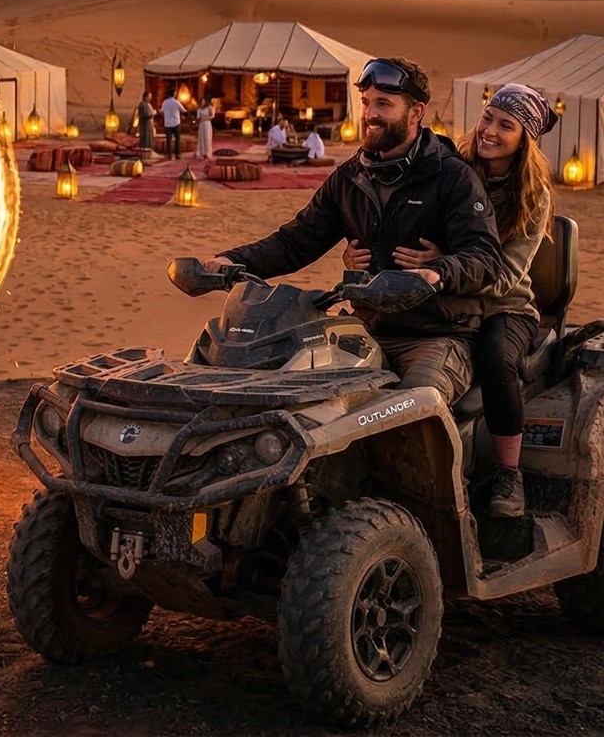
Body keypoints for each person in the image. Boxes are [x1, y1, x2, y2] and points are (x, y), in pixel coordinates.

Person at [204, 56, 504, 407]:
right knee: (293, 401)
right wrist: (231, 260)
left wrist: (435, 273)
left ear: (416, 112)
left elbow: (485, 256)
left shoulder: (452, 177)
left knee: (414, 409)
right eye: (366, 103)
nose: (370, 114)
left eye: (383, 104)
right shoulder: (350, 178)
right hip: (361, 329)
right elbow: (295, 242)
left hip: (435, 336)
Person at [344, 84, 556, 517]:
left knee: (496, 361)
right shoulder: (455, 169)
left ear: (525, 139)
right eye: (488, 118)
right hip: (439, 298)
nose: (490, 131)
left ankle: (507, 475)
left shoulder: (532, 197)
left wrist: (450, 267)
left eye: (506, 125)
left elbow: (505, 274)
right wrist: (357, 254)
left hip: (503, 304)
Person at [160, 89, 186, 160]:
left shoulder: (165, 102)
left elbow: (161, 111)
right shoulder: (176, 102)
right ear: (174, 94)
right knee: (177, 139)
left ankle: (169, 155)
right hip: (176, 123)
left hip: (167, 123)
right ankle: (178, 155)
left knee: (169, 140)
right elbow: (183, 110)